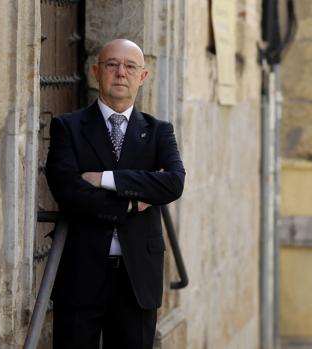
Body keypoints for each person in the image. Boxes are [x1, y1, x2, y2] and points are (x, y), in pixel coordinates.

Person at [45, 38, 185, 349]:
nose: (121, 72)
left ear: (142, 76)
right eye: (112, 65)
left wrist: (106, 178)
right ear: (97, 72)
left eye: (130, 66)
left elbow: (173, 183)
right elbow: (68, 191)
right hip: (81, 272)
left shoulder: (159, 131)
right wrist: (133, 203)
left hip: (138, 278)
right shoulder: (67, 127)